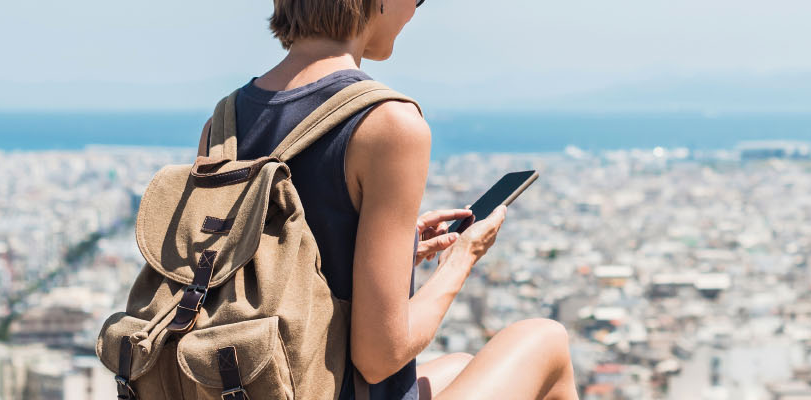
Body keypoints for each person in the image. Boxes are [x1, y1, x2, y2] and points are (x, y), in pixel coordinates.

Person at [193, 0, 579, 399]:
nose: (414, 11)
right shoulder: (388, 123)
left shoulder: (223, 124)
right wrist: (462, 257)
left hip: (252, 386)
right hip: (327, 389)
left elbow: (247, 270)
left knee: (462, 366)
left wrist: (391, 250)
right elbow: (380, 357)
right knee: (545, 340)